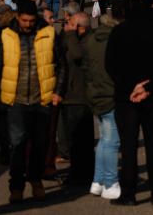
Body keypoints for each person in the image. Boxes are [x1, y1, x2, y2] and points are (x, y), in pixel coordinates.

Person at [105, 0, 153, 206]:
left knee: (128, 147)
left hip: (126, 98)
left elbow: (111, 65)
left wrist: (131, 88)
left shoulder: (119, 32)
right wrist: (148, 87)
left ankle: (128, 193)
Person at [0, 0, 65, 203]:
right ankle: (16, 186)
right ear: (18, 17)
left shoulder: (49, 33)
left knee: (39, 144)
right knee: (17, 144)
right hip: (15, 99)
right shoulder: (5, 35)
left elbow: (61, 65)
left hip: (42, 99)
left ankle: (35, 180)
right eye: (24, 20)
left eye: (31, 21)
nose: (28, 24)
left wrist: (58, 91)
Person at [83, 2, 124, 201]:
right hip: (109, 95)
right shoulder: (113, 42)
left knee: (104, 139)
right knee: (111, 141)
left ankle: (98, 180)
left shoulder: (92, 40)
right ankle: (110, 181)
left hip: (95, 93)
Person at [58, 12, 94, 188]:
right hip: (73, 95)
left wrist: (71, 34)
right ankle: (81, 173)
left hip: (79, 96)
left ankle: (81, 175)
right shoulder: (76, 40)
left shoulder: (85, 42)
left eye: (70, 24)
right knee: (76, 139)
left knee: (79, 140)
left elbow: (76, 55)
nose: (66, 27)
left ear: (81, 27)